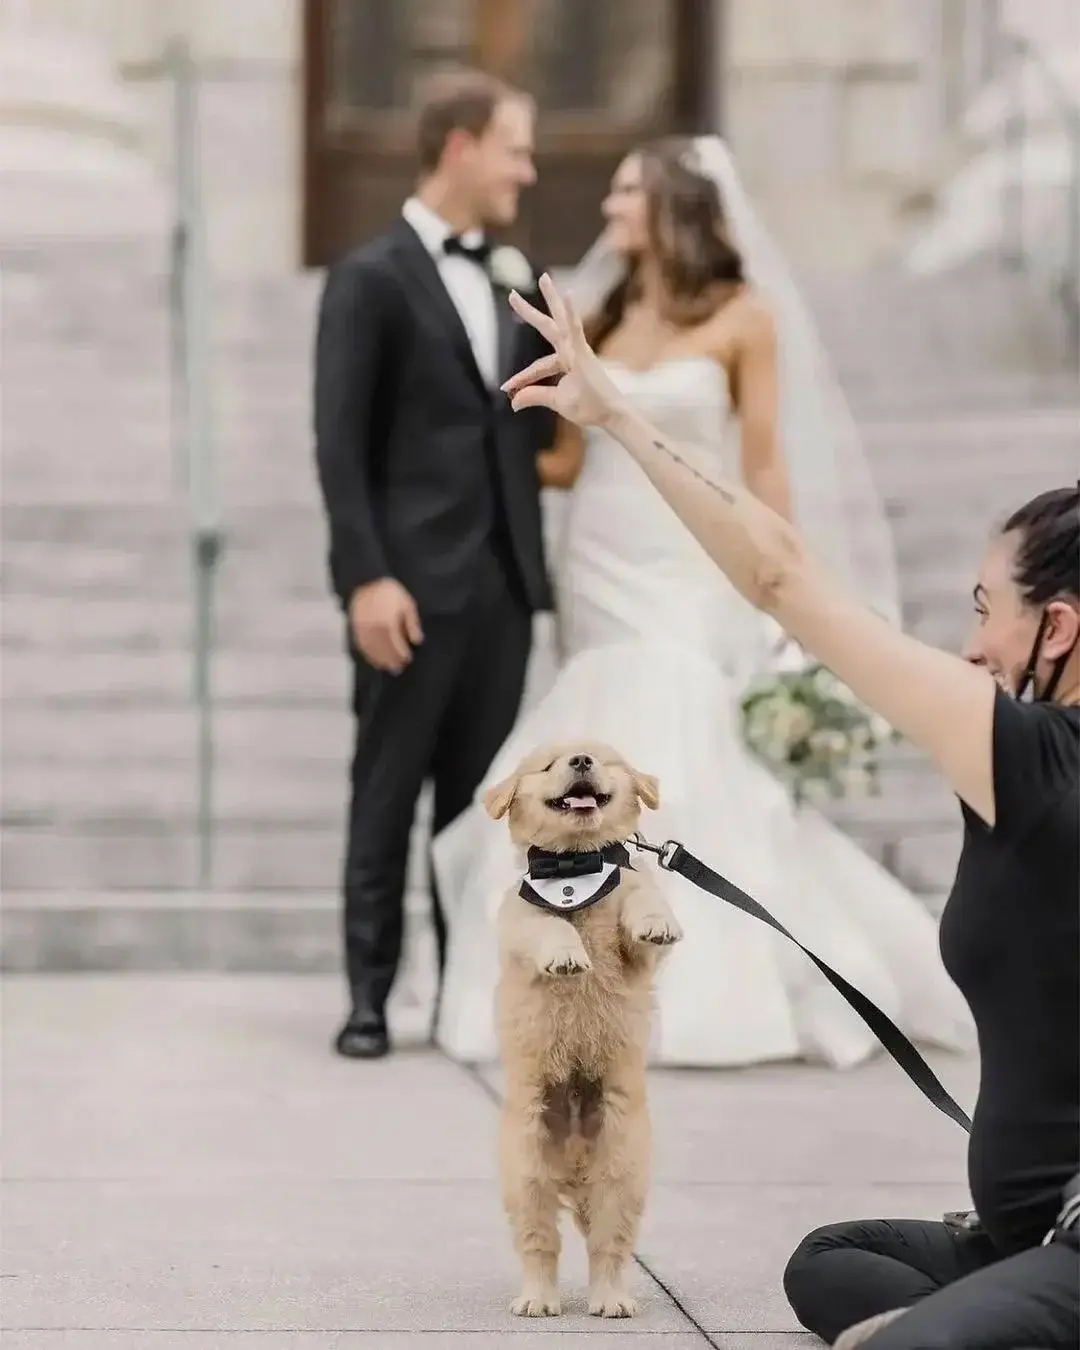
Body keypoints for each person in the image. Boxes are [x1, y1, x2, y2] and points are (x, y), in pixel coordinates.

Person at [500, 271, 1080, 1347]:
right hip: (1029, 1230)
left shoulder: (1039, 754)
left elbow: (782, 580)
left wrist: (620, 415)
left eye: (985, 611)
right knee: (830, 1267)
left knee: (908, 1340)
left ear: (1059, 629)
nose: (969, 645)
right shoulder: (1032, 755)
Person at [432, 136, 973, 1068]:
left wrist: (785, 593)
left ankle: (693, 983)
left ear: (674, 206)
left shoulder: (742, 317)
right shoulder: (599, 310)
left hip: (687, 549)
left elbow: (761, 459)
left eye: (628, 192)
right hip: (599, 545)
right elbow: (563, 458)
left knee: (673, 717)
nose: (609, 208)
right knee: (597, 705)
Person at [313, 70, 555, 1060]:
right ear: (461, 146)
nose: (528, 171)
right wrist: (366, 578)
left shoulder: (512, 271)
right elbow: (339, 442)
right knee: (388, 790)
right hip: (406, 590)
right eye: (516, 149)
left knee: (479, 806)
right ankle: (369, 997)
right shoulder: (368, 277)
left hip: (501, 587)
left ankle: (464, 997)